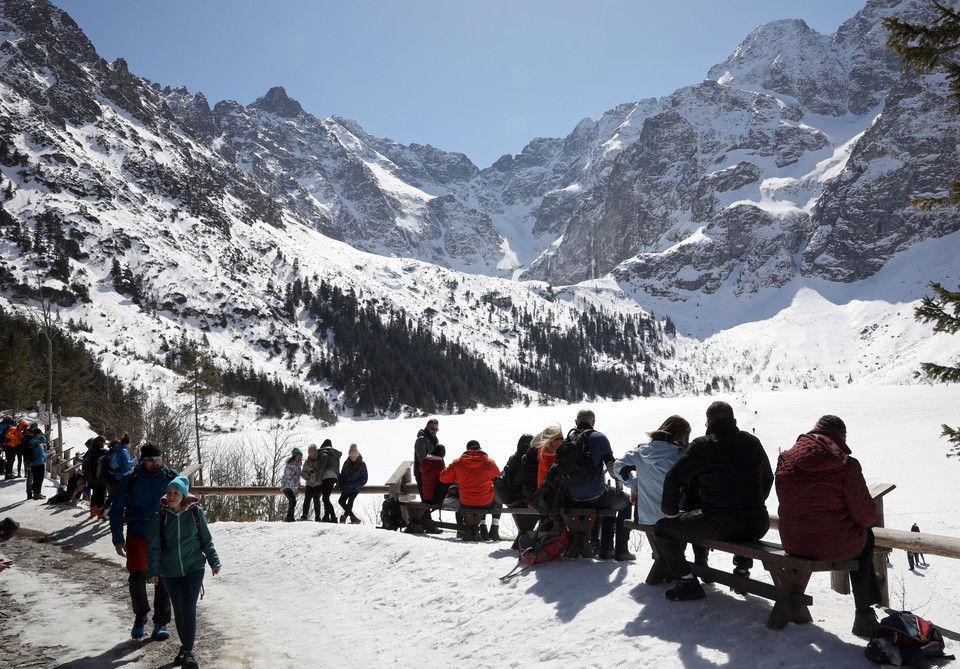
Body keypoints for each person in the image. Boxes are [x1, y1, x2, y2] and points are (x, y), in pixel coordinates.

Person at [776, 414, 883, 637]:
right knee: (867, 538)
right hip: (832, 546)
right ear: (839, 440)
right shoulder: (846, 465)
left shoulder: (785, 459)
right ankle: (864, 613)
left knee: (856, 538)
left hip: (793, 543)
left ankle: (792, 595)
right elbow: (866, 517)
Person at [655, 401, 773, 601]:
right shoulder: (752, 442)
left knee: (662, 529)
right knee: (740, 530)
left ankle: (688, 581)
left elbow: (674, 477)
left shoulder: (703, 445)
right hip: (757, 523)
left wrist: (670, 510)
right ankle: (742, 571)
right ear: (734, 421)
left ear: (708, 422)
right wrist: (753, 502)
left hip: (720, 523)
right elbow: (768, 477)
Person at [146, 476, 221, 669]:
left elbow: (206, 539)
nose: (171, 497)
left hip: (193, 567)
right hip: (169, 571)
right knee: (179, 610)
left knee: (188, 608)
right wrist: (152, 570)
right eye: (169, 493)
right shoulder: (160, 516)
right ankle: (185, 646)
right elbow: (154, 546)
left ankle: (188, 651)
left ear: (184, 495)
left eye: (176, 493)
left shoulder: (196, 513)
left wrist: (214, 561)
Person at [109, 442, 178, 641]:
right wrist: (118, 539)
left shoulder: (172, 476)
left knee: (163, 578)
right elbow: (116, 510)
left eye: (158, 459)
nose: (155, 463)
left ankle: (161, 622)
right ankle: (141, 615)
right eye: (150, 460)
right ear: (142, 460)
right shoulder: (130, 478)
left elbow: (184, 505)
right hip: (138, 533)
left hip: (164, 535)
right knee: (137, 578)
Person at [565, 409, 634, 561]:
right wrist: (625, 479)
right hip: (596, 496)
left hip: (572, 497)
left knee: (609, 502)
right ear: (593, 422)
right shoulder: (599, 438)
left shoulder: (567, 440)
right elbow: (612, 469)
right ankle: (620, 550)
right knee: (625, 502)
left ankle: (608, 549)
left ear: (576, 423)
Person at [615, 415, 692, 524]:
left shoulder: (640, 453)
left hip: (645, 517)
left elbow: (618, 466)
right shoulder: (680, 456)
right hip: (674, 518)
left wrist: (635, 486)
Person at [439, 440, 502, 540]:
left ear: (467, 450)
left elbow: (443, 477)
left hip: (466, 502)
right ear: (480, 449)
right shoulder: (490, 463)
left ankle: (483, 527)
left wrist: (457, 476)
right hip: (485, 502)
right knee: (497, 500)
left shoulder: (458, 463)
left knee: (480, 500)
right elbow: (498, 481)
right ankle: (494, 529)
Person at [338, 444, 368, 524]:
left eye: (354, 456)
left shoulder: (362, 464)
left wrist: (354, 484)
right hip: (346, 486)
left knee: (350, 501)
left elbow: (364, 478)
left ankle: (344, 517)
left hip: (356, 487)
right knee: (341, 501)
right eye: (351, 456)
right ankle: (353, 518)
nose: (353, 458)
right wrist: (341, 484)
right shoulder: (346, 463)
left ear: (357, 455)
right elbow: (342, 475)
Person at [316, 439, 342, 523]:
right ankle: (326, 517)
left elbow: (321, 467)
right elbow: (337, 469)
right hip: (333, 477)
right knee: (326, 497)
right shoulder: (335, 455)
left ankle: (333, 517)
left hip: (326, 477)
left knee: (325, 498)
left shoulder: (324, 453)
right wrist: (338, 482)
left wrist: (318, 479)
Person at [83, 435, 108, 519]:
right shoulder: (104, 451)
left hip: (91, 476)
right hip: (101, 476)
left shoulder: (90, 451)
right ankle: (100, 513)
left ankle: (93, 511)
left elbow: (85, 464)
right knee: (102, 494)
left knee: (95, 493)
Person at [299, 444, 323, 521]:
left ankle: (317, 516)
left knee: (316, 498)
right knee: (307, 498)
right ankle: (304, 514)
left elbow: (323, 472)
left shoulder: (320, 461)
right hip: (309, 483)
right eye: (311, 455)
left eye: (314, 455)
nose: (313, 456)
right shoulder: (307, 462)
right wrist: (307, 475)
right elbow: (303, 473)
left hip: (318, 483)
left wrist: (316, 474)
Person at [25, 426, 48, 500]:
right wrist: (48, 453)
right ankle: (37, 494)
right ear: (37, 434)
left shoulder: (30, 442)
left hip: (32, 463)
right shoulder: (38, 444)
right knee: (39, 479)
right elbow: (42, 455)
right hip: (39, 463)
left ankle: (35, 493)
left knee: (35, 479)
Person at [280, 448, 303, 523]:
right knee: (293, 502)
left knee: (292, 501)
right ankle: (288, 517)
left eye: (300, 457)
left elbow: (296, 477)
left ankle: (291, 517)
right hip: (287, 486)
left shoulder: (298, 465)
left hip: (292, 487)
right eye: (298, 457)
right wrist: (294, 488)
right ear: (294, 457)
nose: (300, 459)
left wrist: (298, 485)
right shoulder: (291, 465)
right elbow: (289, 478)